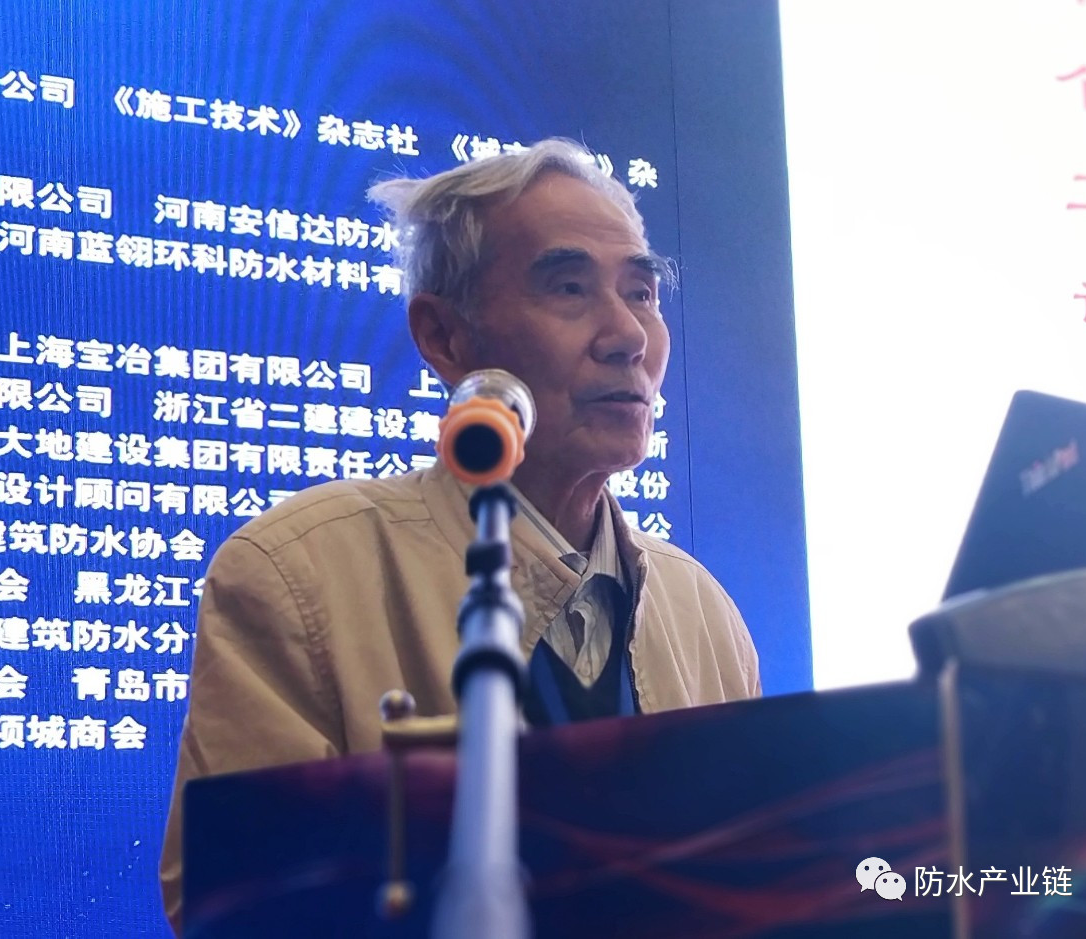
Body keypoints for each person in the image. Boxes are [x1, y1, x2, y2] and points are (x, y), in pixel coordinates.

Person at [159, 138, 761, 932]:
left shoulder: (702, 608)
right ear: (445, 337)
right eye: (570, 287)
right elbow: (250, 912)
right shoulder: (297, 573)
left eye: (642, 293)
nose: (629, 336)